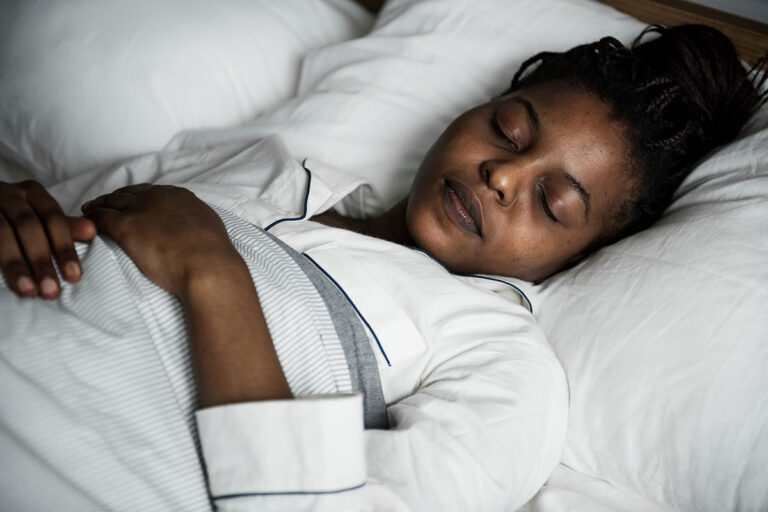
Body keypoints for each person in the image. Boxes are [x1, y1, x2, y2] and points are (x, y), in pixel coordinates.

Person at [0, 24, 765, 511]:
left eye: (554, 203)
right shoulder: (256, 162)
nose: (503, 176)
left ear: (586, 252)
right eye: (508, 129)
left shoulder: (501, 361)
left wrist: (212, 271)